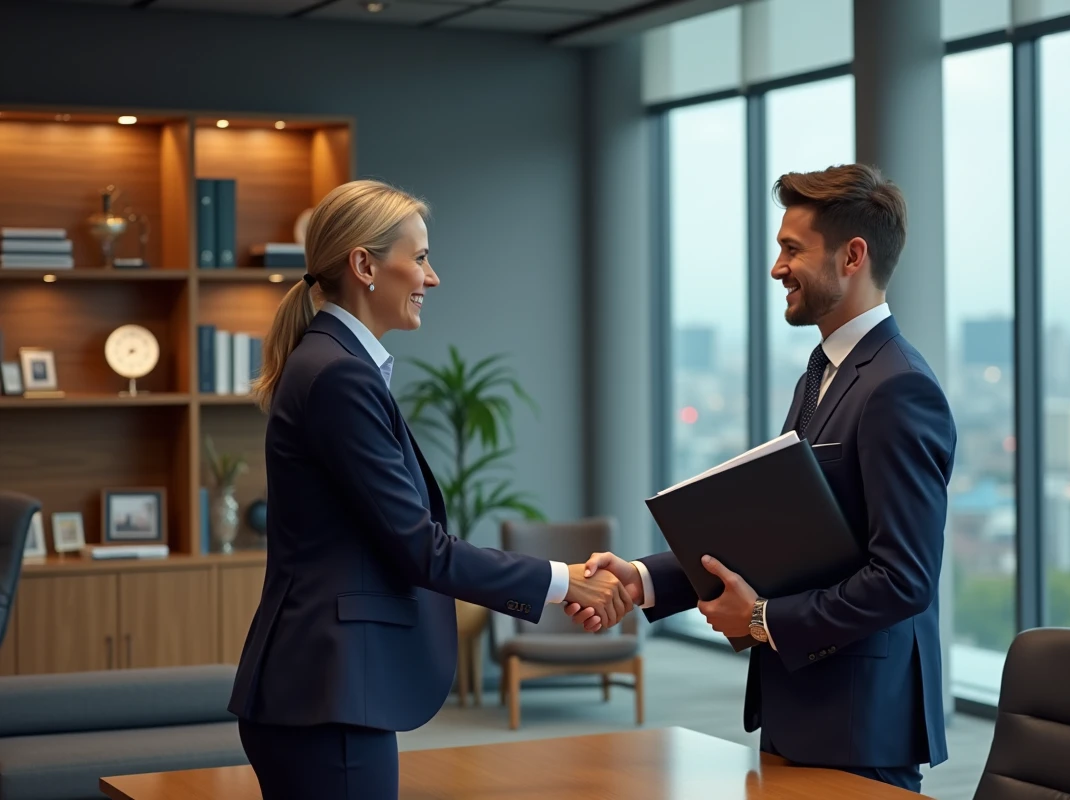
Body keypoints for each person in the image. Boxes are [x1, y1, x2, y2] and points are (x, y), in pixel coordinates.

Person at [227, 179, 630, 800]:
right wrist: (564, 580)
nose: (431, 278)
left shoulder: (332, 364)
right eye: (418, 258)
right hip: (329, 692)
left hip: (323, 690)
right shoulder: (338, 375)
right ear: (364, 265)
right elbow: (419, 547)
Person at [566, 164, 956, 793]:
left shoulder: (898, 387)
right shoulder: (821, 374)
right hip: (802, 710)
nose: (777, 268)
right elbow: (781, 540)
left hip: (860, 724)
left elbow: (904, 580)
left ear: (853, 256)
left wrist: (762, 620)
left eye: (791, 249)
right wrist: (641, 580)